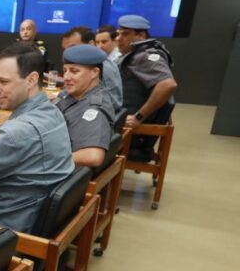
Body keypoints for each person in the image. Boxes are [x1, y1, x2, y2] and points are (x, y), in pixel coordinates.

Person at [0, 44, 74, 233]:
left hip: (0, 231)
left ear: (31, 80)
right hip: (28, 216)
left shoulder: (15, 134)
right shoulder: (52, 112)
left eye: (3, 82)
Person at [117, 14, 178, 162]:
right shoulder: (137, 54)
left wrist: (138, 117)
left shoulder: (146, 56)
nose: (119, 38)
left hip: (130, 134)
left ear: (141, 35)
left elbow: (168, 84)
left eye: (125, 34)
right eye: (118, 34)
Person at [55, 45, 114, 168]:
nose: (66, 77)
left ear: (94, 73)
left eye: (74, 71)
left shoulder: (93, 109)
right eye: (65, 70)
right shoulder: (76, 95)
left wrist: (47, 160)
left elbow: (93, 156)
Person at [60, 25, 122, 112]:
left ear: (91, 44)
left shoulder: (101, 66)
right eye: (64, 49)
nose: (67, 54)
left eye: (72, 47)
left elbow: (110, 104)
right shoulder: (93, 63)